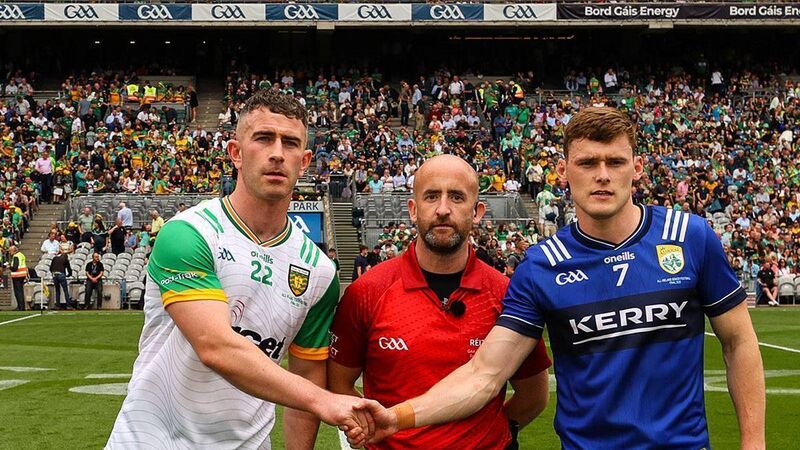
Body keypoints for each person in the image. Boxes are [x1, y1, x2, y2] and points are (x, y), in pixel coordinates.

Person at [348, 107, 766, 450]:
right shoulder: (542, 266)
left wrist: (753, 444)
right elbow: (484, 375)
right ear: (564, 171)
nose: (602, 175)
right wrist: (397, 417)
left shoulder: (690, 237)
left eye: (615, 162)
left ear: (636, 168)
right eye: (587, 163)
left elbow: (739, 342)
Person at [107, 90, 375, 449]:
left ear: (305, 161)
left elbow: (308, 378)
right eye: (263, 138)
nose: (277, 153)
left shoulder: (319, 271)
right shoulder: (189, 233)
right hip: (151, 441)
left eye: (290, 143)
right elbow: (215, 345)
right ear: (235, 152)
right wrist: (325, 401)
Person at [329, 155, 551, 449]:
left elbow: (533, 395)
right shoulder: (368, 291)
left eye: (457, 197)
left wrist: (489, 433)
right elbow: (339, 384)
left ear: (477, 212)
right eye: (431, 196)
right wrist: (385, 435)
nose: (443, 209)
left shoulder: (506, 294)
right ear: (413, 209)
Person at [9, 245, 27, 311]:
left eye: (10, 251)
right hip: (22, 275)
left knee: (18, 292)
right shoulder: (21, 255)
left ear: (14, 251)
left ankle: (20, 307)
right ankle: (21, 306)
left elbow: (15, 268)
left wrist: (9, 267)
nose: (9, 252)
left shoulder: (16, 256)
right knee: (20, 291)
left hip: (17, 275)